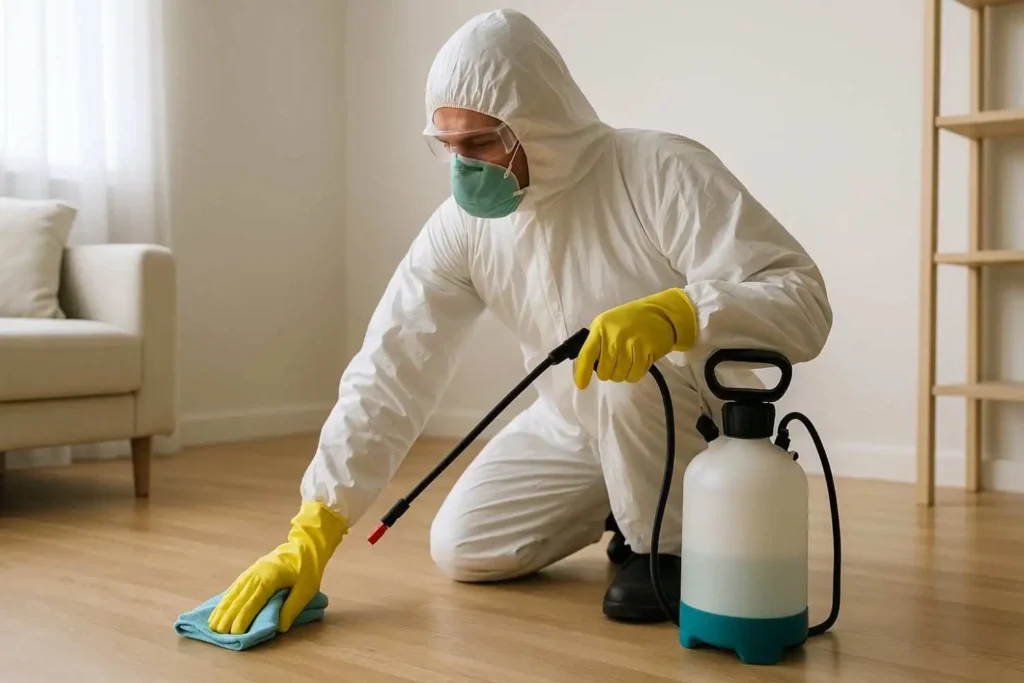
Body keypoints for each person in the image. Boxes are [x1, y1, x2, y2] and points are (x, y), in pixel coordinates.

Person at [207, 9, 832, 635]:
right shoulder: (463, 228)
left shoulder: (657, 169)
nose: (462, 168)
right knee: (466, 547)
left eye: (479, 144)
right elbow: (392, 364)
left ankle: (662, 549)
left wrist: (679, 313)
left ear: (540, 125)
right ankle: (627, 506)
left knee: (625, 372)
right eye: (448, 147)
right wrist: (314, 527)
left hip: (682, 416)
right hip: (569, 421)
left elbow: (801, 299)